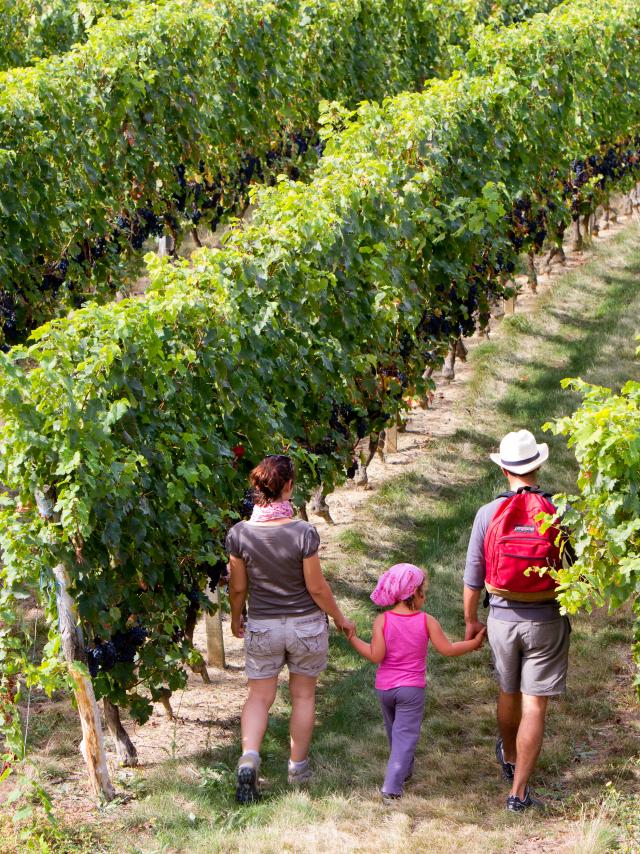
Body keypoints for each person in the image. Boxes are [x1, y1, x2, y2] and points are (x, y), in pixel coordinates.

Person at [226, 454, 355, 804]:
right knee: (302, 696)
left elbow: (238, 588)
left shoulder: (239, 534)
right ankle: (297, 767)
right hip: (305, 627)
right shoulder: (303, 532)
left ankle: (249, 757)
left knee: (259, 697)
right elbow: (316, 588)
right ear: (288, 487)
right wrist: (341, 618)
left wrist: (236, 615)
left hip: (264, 626)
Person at [463, 429, 571, 813]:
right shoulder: (559, 509)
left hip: (502, 619)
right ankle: (519, 793)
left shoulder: (487, 513)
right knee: (535, 705)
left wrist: (471, 621)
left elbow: (473, 577)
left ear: (504, 469)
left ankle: (509, 757)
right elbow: (577, 567)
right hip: (547, 620)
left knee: (508, 692)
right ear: (538, 465)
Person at [348, 563, 486, 803]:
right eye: (424, 592)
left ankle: (403, 769)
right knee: (405, 737)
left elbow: (375, 655)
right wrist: (474, 644)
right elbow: (448, 649)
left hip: (385, 689)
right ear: (416, 593)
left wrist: (352, 638)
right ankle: (391, 788)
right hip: (411, 690)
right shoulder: (426, 621)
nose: (425, 596)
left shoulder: (382, 620)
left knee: (395, 733)